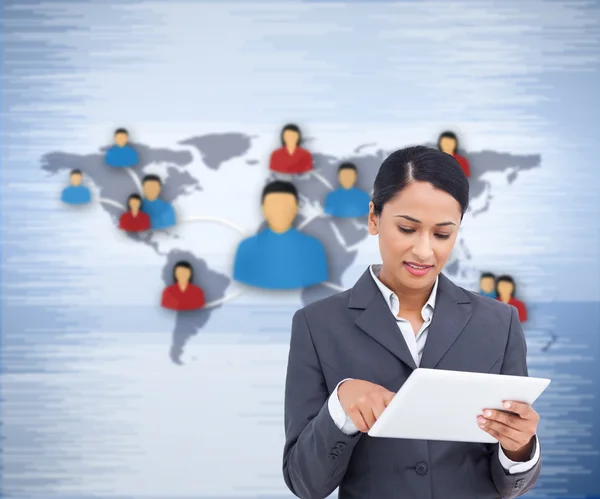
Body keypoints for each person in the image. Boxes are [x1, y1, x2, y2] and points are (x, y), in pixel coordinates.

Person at [283, 146, 542, 499]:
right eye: (407, 228)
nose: (424, 251)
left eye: (442, 234)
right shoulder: (317, 325)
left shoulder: (499, 323)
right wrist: (339, 410)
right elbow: (305, 483)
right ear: (373, 218)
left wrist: (519, 449)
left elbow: (512, 484)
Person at [233, 180, 328, 289]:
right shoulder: (246, 248)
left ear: (296, 208)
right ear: (263, 209)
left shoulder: (313, 248)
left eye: (286, 205)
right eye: (273, 205)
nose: (280, 211)